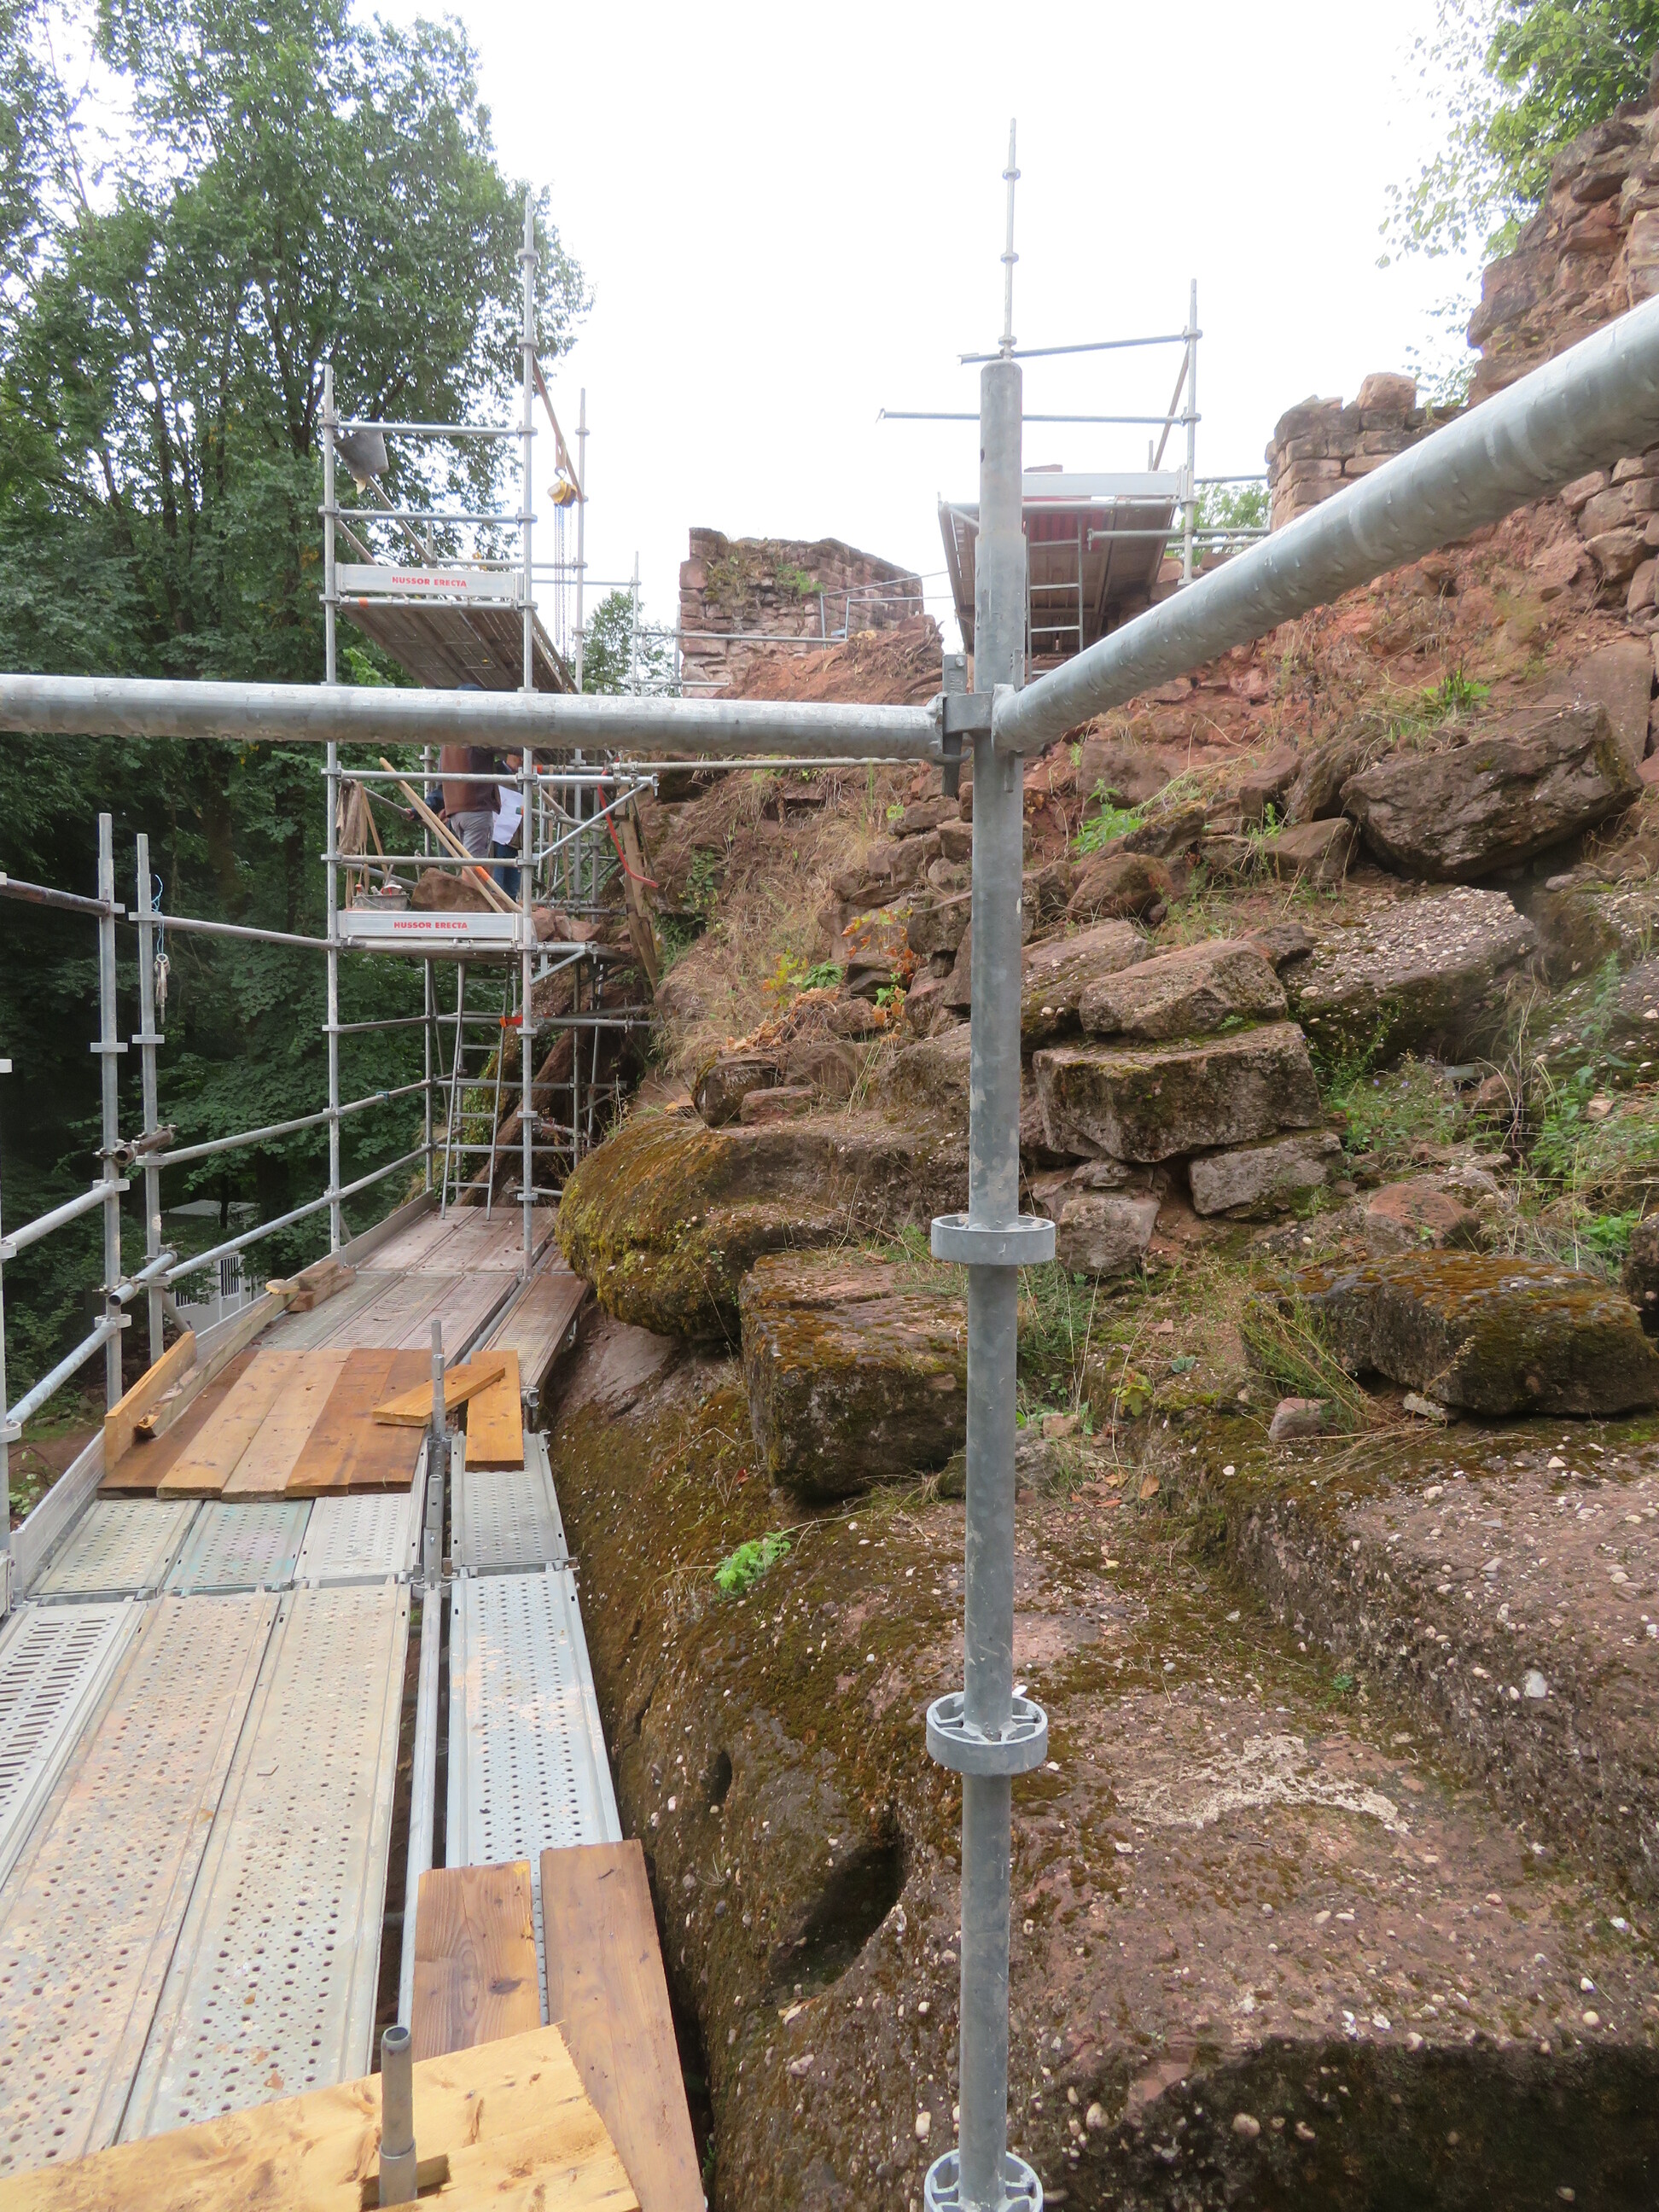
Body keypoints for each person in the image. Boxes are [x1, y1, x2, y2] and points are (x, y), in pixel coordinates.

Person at [438, 742, 496, 859]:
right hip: (476, 808)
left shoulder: (447, 743)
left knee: (471, 862)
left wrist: (422, 808)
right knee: (473, 865)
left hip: (455, 812)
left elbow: (440, 783)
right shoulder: (475, 735)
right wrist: (529, 745)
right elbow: (502, 742)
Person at [491, 754, 524, 899]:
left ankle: (508, 911)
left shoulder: (523, 779)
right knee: (497, 887)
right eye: (518, 755)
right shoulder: (494, 772)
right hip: (499, 839)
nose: (522, 759)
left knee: (511, 890)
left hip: (516, 841)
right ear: (507, 754)